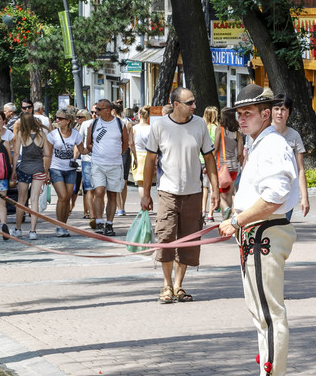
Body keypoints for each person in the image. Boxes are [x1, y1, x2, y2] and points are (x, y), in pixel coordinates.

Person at [217, 85, 298, 376]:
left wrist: (237, 221)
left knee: (269, 313)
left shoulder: (272, 144)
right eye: (239, 114)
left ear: (267, 113)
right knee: (261, 314)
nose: (241, 119)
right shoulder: (261, 143)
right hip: (257, 233)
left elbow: (276, 195)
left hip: (265, 233)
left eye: (248, 113)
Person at [141, 87, 218, 304]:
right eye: (190, 102)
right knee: (166, 237)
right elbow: (150, 161)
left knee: (189, 240)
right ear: (176, 104)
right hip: (167, 191)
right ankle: (166, 285)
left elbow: (209, 158)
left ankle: (179, 285)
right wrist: (146, 194)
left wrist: (215, 190)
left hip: (193, 191)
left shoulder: (199, 124)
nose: (194, 106)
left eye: (194, 102)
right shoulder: (160, 126)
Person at [83, 99, 130, 236]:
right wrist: (99, 152)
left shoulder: (119, 123)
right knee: (99, 192)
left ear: (108, 110)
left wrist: (116, 153)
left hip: (115, 164)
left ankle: (109, 224)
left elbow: (125, 143)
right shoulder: (94, 123)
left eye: (99, 109)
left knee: (112, 194)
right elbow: (89, 144)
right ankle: (98, 221)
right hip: (98, 163)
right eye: (96, 109)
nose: (95, 112)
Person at [9, 113, 51, 240]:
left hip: (24, 169)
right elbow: (48, 153)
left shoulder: (22, 134)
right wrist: (45, 167)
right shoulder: (42, 134)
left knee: (21, 200)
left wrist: (14, 171)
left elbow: (16, 153)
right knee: (34, 200)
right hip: (39, 169)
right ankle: (33, 231)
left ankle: (18, 229)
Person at [270, 96, 311, 220]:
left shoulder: (294, 136)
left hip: (287, 193)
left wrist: (304, 197)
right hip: (266, 191)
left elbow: (300, 169)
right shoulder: (262, 133)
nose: (279, 113)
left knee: (282, 232)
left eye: (283, 109)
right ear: (270, 111)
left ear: (288, 112)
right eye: (276, 109)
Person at [47, 109, 83, 236]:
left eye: (60, 118)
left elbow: (82, 150)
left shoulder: (76, 134)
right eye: (56, 118)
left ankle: (64, 225)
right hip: (56, 168)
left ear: (68, 121)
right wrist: (46, 171)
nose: (57, 120)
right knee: (62, 196)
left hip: (70, 169)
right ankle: (59, 225)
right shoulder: (52, 135)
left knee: (67, 198)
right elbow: (47, 155)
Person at [216, 107, 244, 218]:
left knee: (221, 193)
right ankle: (226, 219)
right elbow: (240, 153)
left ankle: (225, 211)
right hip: (233, 166)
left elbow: (215, 147)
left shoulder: (220, 129)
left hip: (222, 166)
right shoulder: (238, 133)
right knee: (230, 192)